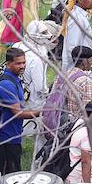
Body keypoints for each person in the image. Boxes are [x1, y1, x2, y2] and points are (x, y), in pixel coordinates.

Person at [0, 48, 41, 179]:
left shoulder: (15, 79)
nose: (22, 66)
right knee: (12, 177)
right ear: (8, 64)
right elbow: (18, 113)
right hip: (7, 137)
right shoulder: (7, 84)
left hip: (13, 134)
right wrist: (43, 112)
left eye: (24, 63)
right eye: (18, 63)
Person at [13, 20, 60, 156]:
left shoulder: (18, 45)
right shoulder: (36, 57)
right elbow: (40, 86)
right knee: (39, 134)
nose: (47, 36)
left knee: (16, 130)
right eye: (44, 33)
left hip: (16, 93)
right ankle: (38, 163)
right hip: (33, 100)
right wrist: (48, 93)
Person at [66, 103, 92, 184]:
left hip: (73, 175)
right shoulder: (87, 135)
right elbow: (85, 163)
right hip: (78, 180)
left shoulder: (80, 124)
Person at [61, 0, 92, 70]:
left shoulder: (81, 16)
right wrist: (81, 67)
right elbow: (72, 47)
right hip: (77, 69)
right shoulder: (76, 19)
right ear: (80, 0)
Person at [65, 46, 92, 120]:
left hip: (60, 122)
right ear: (85, 61)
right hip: (77, 124)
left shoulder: (62, 76)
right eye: (91, 59)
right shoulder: (86, 81)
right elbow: (90, 110)